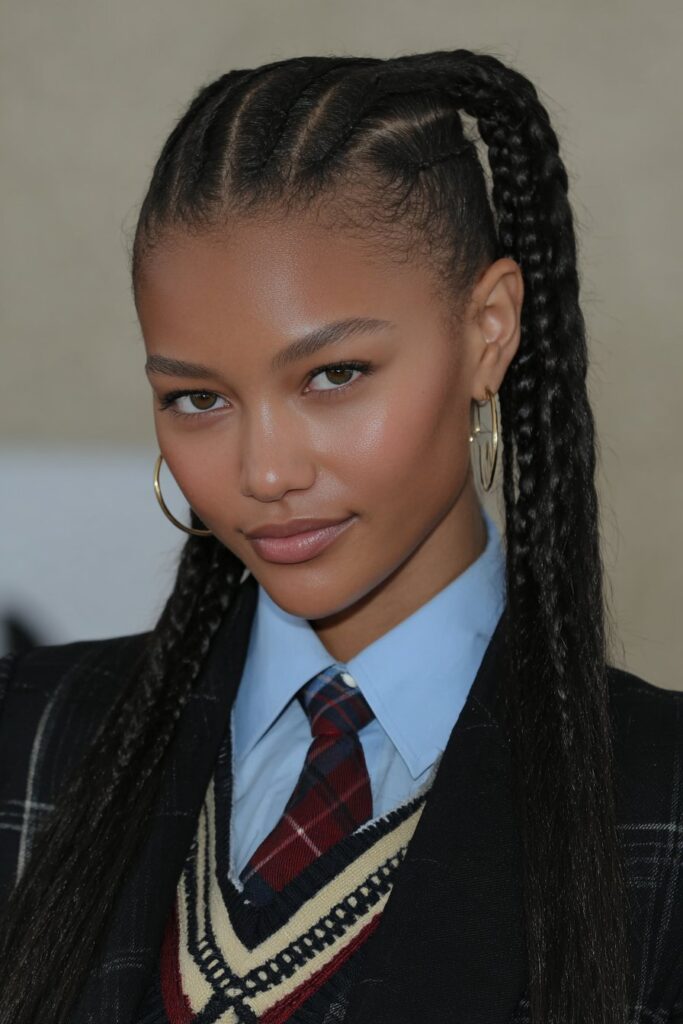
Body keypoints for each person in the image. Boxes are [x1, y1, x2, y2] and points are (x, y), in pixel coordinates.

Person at [0, 47, 681, 1024]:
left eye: (333, 376)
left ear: (488, 329)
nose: (265, 472)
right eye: (197, 398)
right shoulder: (29, 737)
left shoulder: (656, 801)